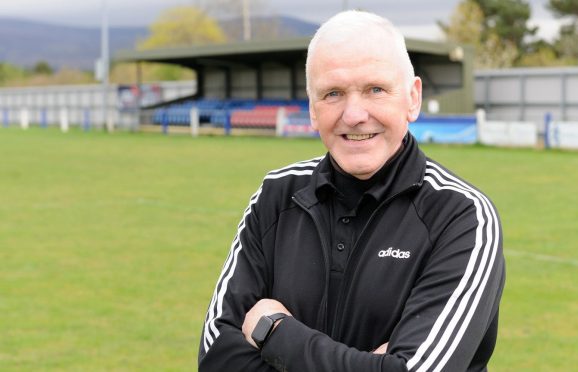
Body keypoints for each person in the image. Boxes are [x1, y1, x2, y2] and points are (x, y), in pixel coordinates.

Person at [198, 10, 505, 372]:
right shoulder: (276, 196)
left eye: (375, 89)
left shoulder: (462, 216)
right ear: (313, 110)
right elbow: (216, 357)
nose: (354, 114)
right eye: (333, 93)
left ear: (412, 98)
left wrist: (274, 332)